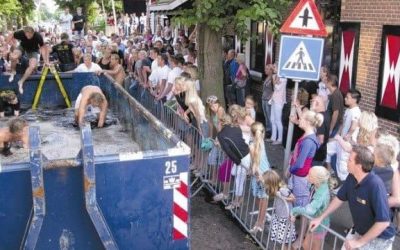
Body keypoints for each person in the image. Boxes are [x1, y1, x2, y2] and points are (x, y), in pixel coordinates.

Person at [310, 145, 395, 250]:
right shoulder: (351, 177)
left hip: (379, 238)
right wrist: (320, 218)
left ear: (359, 166)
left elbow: (383, 222)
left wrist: (359, 243)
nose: (346, 161)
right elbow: (339, 199)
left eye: (349, 160)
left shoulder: (375, 185)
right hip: (360, 231)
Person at [287, 110, 323, 207]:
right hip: (298, 172)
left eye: (301, 118)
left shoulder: (308, 141)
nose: (300, 120)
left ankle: (298, 220)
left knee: (300, 202)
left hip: (300, 174)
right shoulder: (309, 135)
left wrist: (290, 169)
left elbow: (299, 164)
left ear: (307, 122)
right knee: (297, 200)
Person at [291, 166, 331, 250]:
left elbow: (309, 211)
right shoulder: (318, 184)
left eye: (310, 175)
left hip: (320, 225)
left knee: (314, 247)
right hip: (314, 222)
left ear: (316, 179)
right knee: (306, 245)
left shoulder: (321, 194)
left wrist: (294, 210)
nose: (306, 176)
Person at [217, 113, 250, 210]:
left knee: (239, 180)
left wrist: (238, 162)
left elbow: (228, 151)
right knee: (233, 172)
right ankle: (239, 198)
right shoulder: (236, 128)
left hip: (242, 158)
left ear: (221, 123)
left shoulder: (221, 135)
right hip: (246, 153)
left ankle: (236, 202)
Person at [7, 26, 49, 94]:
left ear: (33, 33)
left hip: (33, 50)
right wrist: (5, 46)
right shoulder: (21, 33)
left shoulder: (38, 36)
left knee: (32, 66)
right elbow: (11, 34)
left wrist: (46, 61)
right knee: (14, 56)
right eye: (26, 34)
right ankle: (13, 71)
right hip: (23, 47)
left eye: (29, 35)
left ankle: (21, 82)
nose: (27, 36)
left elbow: (43, 48)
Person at [263, 170, 296, 245]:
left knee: (284, 241)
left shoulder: (282, 189)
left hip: (285, 217)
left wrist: (284, 199)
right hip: (279, 215)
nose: (265, 185)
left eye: (266, 184)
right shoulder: (276, 189)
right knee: (281, 241)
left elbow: (293, 198)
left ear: (271, 183)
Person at [248, 122, 271, 234]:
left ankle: (260, 222)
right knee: (262, 198)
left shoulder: (253, 144)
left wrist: (253, 171)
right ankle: (261, 220)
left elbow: (255, 163)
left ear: (252, 133)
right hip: (263, 172)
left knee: (262, 198)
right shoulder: (260, 141)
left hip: (260, 174)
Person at [268, 66, 287, 145]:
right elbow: (274, 87)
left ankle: (279, 139)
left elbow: (277, 87)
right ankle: (273, 137)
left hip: (279, 101)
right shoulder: (275, 76)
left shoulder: (284, 78)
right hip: (274, 100)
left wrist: (274, 79)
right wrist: (274, 79)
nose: (273, 68)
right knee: (272, 119)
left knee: (278, 120)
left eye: (275, 67)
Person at [262, 64, 274, 134]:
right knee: (266, 115)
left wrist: (271, 99)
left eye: (267, 69)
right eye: (265, 68)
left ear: (271, 70)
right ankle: (268, 129)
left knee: (269, 116)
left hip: (268, 99)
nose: (265, 70)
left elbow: (274, 90)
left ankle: (271, 131)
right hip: (264, 98)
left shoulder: (272, 78)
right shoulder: (267, 77)